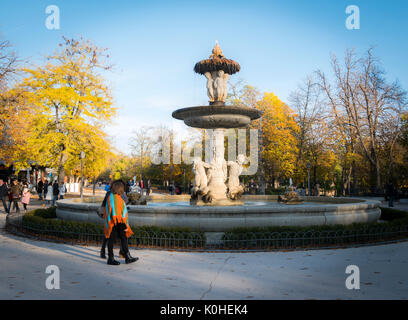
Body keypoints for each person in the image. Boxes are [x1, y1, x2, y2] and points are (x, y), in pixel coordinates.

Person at [104, 180, 138, 265]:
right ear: (119, 188)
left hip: (116, 221)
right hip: (117, 221)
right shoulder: (114, 197)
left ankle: (124, 257)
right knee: (120, 238)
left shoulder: (114, 196)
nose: (123, 189)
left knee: (119, 238)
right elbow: (114, 210)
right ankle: (122, 257)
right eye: (122, 188)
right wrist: (120, 219)